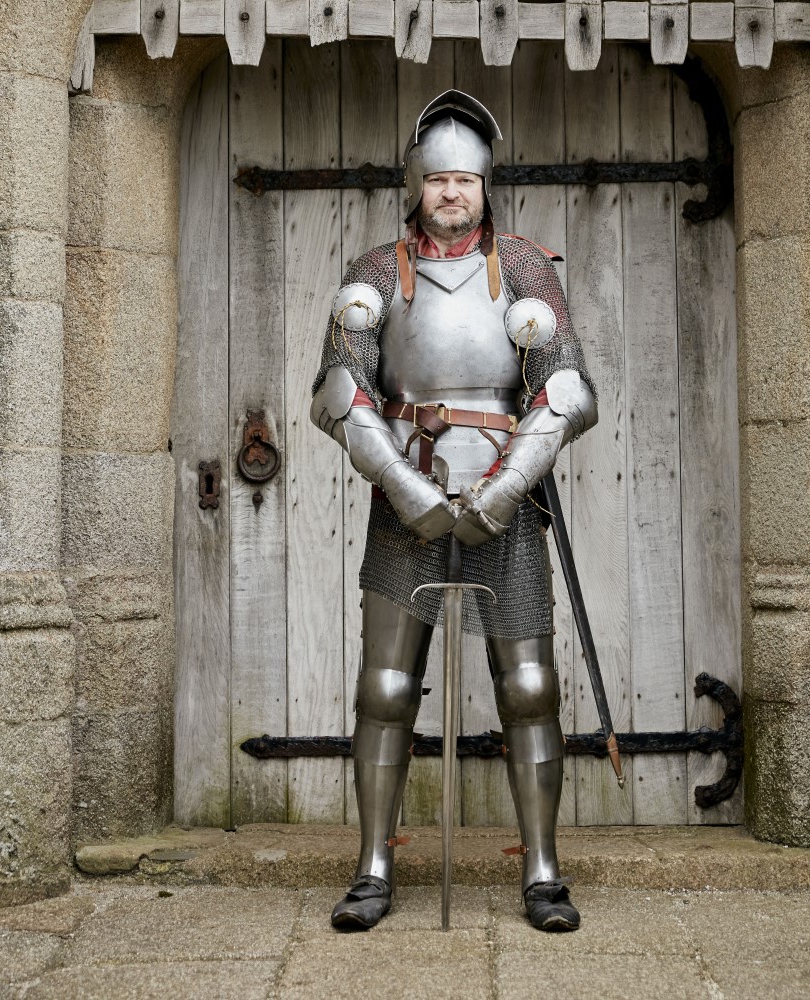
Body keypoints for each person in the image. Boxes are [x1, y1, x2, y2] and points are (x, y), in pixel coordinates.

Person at [310, 91, 598, 932]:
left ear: (484, 185)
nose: (450, 194)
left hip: (507, 502)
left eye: (464, 180)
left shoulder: (524, 269)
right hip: (408, 498)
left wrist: (507, 488)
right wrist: (408, 488)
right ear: (416, 182)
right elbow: (337, 394)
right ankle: (371, 869)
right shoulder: (375, 275)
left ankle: (543, 873)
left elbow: (568, 391)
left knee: (531, 688)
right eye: (437, 179)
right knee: (387, 689)